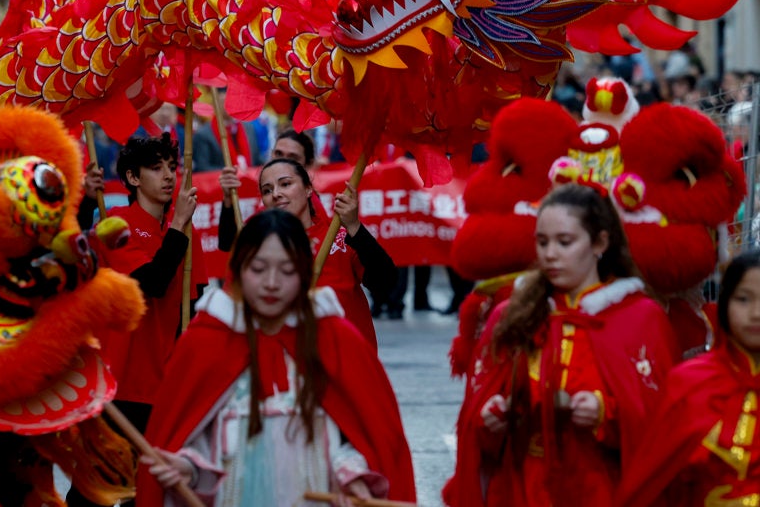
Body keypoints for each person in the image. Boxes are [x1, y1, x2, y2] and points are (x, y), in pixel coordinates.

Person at [137, 209, 417, 506]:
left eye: (287, 270)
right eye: (258, 268)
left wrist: (354, 478)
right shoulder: (204, 341)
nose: (272, 282)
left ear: (306, 272)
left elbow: (361, 440)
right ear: (238, 268)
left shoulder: (336, 339)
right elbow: (195, 441)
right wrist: (189, 469)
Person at [445, 183, 680, 507]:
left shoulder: (641, 319)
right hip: (523, 489)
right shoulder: (511, 315)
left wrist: (605, 415)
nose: (550, 254)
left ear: (600, 242)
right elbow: (477, 423)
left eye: (564, 242)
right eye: (542, 242)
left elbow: (664, 428)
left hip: (604, 492)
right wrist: (492, 419)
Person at [67, 134, 198, 507]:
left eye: (172, 167)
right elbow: (151, 285)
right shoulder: (115, 224)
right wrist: (179, 228)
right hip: (118, 383)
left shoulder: (182, 231)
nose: (169, 176)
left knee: (149, 493)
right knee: (96, 489)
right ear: (133, 178)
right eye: (156, 169)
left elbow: (191, 307)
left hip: (164, 384)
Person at [615, 249, 760, 506]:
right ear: (724, 302)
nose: (756, 313)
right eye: (743, 299)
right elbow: (653, 480)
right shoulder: (690, 381)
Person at [252, 158, 397, 344]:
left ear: (308, 189)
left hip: (347, 361)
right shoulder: (260, 250)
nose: (276, 194)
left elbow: (386, 284)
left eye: (285, 184)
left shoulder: (339, 238)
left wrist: (354, 226)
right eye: (267, 190)